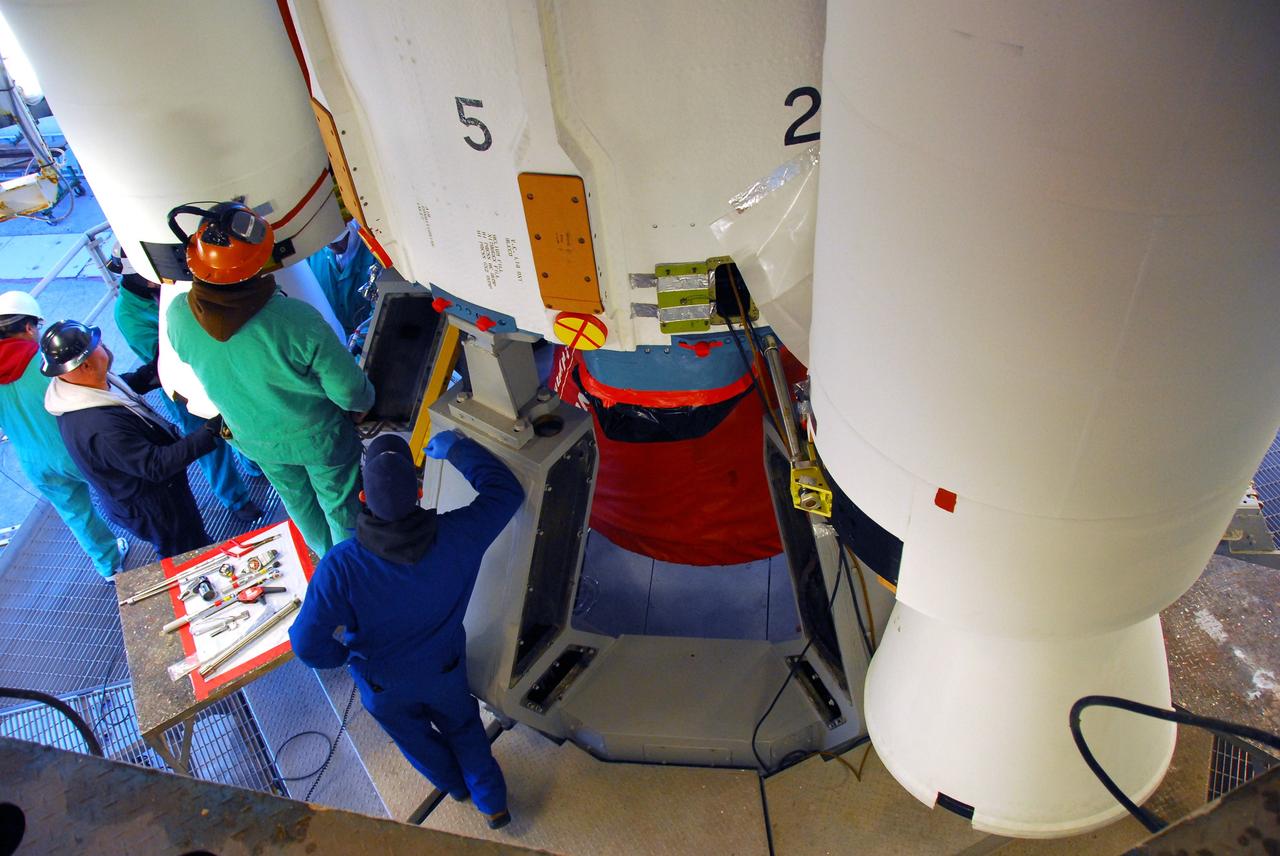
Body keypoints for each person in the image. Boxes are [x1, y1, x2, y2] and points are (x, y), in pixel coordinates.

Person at [290, 430, 523, 828]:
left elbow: (307, 646)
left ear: (362, 498)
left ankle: (455, 787)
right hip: (444, 668)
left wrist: (346, 655)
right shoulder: (458, 535)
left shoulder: (340, 567)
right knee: (465, 727)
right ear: (418, 492)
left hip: (382, 682)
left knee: (416, 740)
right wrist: (458, 450)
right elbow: (506, 492)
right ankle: (493, 802)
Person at [165, 201, 375, 556]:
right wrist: (364, 404)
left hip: (254, 439)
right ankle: (349, 571)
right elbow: (351, 391)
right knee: (340, 506)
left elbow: (194, 360)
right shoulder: (295, 319)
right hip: (320, 441)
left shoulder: (178, 315)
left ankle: (326, 563)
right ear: (258, 266)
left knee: (299, 503)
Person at [42, 319, 219, 559]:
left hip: (154, 492)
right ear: (84, 365)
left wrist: (160, 367)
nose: (103, 346)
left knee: (193, 538)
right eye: (98, 345)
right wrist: (215, 428)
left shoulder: (82, 386)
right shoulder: (99, 427)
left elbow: (126, 387)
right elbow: (156, 465)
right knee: (188, 554)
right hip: (154, 507)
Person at [109, 247, 263, 523]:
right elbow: (159, 355)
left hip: (211, 365)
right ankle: (235, 499)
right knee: (207, 441)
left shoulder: (166, 284)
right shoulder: (127, 314)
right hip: (180, 384)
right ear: (138, 278)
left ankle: (253, 465)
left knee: (237, 420)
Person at [0, 292, 128, 579]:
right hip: (76, 447)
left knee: (74, 512)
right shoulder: (47, 361)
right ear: (30, 328)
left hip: (33, 461)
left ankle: (109, 566)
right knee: (124, 490)